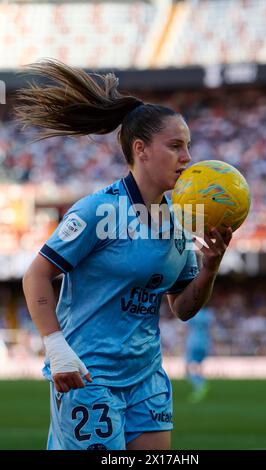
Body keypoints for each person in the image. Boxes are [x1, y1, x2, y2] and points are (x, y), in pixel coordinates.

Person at [16, 59, 232, 450]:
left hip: (146, 379)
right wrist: (57, 348)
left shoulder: (182, 220)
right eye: (176, 146)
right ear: (141, 150)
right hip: (87, 375)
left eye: (189, 146)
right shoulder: (98, 211)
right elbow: (36, 275)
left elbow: (182, 308)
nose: (188, 157)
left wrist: (210, 268)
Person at [185, 306, 213, 403]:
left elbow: (186, 327)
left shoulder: (192, 311)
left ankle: (200, 385)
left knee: (188, 368)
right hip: (205, 342)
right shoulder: (208, 313)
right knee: (199, 366)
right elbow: (210, 329)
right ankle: (201, 383)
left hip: (193, 341)